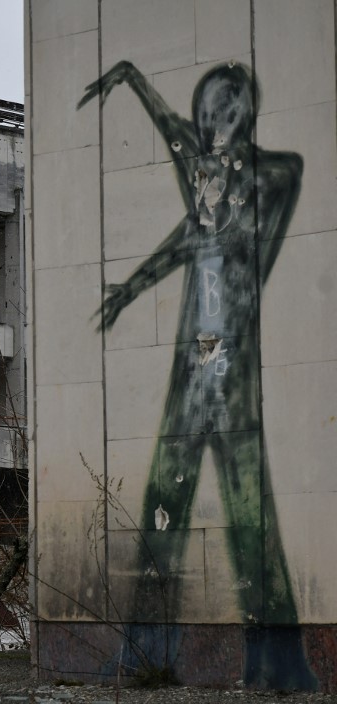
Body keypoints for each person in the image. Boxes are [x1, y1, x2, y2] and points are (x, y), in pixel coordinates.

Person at [78, 61, 314, 689]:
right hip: (192, 373)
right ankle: (146, 658)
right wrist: (129, 289)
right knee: (164, 507)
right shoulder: (209, 194)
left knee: (250, 518)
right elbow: (187, 222)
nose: (209, 122)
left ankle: (279, 664)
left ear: (243, 114)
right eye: (205, 111)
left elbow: (268, 181)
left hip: (231, 375)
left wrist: (232, 182)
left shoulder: (269, 179)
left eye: (223, 111)